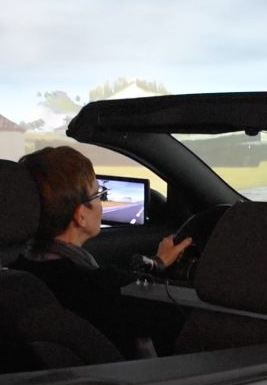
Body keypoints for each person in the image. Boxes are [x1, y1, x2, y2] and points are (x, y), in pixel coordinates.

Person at [10, 145, 191, 357]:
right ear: (81, 215)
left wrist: (156, 263)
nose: (101, 203)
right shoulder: (102, 288)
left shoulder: (9, 277)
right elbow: (185, 315)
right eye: (98, 194)